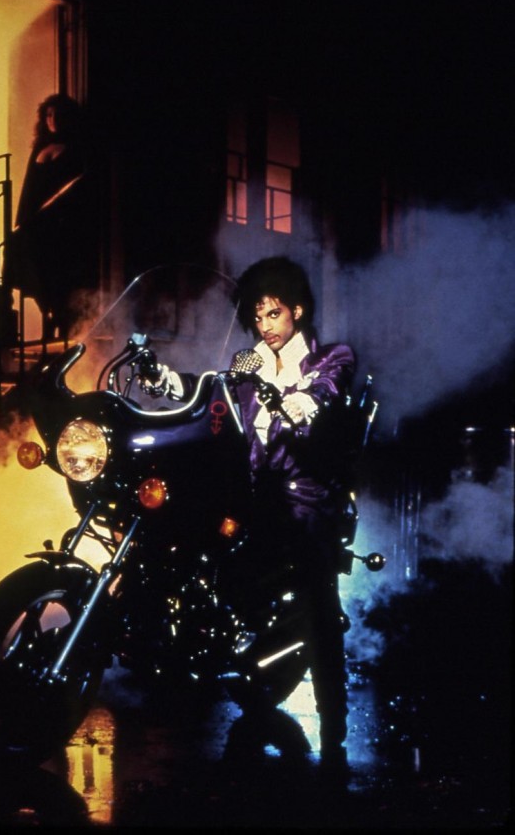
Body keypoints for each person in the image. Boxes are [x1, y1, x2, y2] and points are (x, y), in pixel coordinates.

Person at [141, 256, 356, 772]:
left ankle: (334, 724)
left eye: (274, 313)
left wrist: (292, 402)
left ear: (297, 310)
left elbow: (321, 394)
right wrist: (161, 378)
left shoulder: (330, 357)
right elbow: (208, 393)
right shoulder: (249, 362)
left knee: (318, 601)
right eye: (258, 316)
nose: (265, 325)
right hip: (257, 494)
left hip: (306, 496)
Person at [0, 94, 98, 342]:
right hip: (35, 221)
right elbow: (30, 188)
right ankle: (45, 314)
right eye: (49, 115)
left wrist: (49, 211)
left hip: (58, 223)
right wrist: (23, 220)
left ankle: (57, 320)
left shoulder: (76, 150)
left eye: (58, 115)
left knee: (52, 272)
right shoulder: (40, 147)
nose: (53, 120)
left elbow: (75, 188)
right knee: (18, 257)